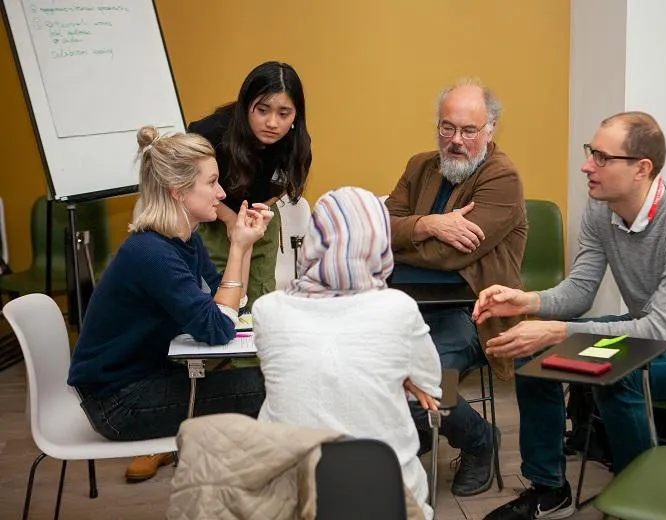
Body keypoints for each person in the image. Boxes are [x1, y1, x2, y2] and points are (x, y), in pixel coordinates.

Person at [475, 111, 666, 520]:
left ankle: (641, 498)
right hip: (652, 333)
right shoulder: (600, 208)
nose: (587, 165)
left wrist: (557, 331)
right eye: (591, 153)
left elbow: (660, 328)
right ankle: (550, 489)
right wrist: (526, 302)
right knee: (530, 353)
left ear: (642, 168)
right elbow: (580, 291)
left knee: (614, 371)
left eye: (602, 157)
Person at [67, 126, 273, 478]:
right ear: (178, 192)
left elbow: (229, 305)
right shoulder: (152, 254)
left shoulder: (182, 240)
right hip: (118, 403)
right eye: (212, 183)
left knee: (269, 382)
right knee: (268, 388)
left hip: (146, 382)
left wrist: (245, 243)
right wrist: (238, 247)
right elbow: (217, 326)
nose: (221, 193)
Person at [252, 187, 441, 520]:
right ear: (380, 241)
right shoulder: (398, 308)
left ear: (313, 237)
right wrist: (402, 376)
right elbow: (431, 387)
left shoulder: (268, 310)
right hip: (389, 499)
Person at [385, 79, 527, 497]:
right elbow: (380, 227)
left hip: (467, 311)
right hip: (401, 306)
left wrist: (400, 241)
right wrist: (429, 224)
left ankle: (481, 439)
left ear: (490, 129)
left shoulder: (502, 177)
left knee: (426, 381)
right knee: (372, 366)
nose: (456, 141)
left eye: (469, 130)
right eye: (447, 128)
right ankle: (419, 428)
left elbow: (451, 257)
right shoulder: (419, 165)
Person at [188, 61, 312, 306]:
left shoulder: (295, 142)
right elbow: (190, 183)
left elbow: (285, 183)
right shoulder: (211, 133)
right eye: (263, 110)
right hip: (212, 217)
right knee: (218, 294)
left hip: (259, 217)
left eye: (284, 114)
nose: (273, 123)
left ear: (296, 114)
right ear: (246, 106)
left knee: (259, 295)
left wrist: (260, 210)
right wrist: (229, 219)